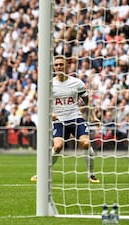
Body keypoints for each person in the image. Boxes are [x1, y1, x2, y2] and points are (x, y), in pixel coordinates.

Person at [31, 55, 100, 183]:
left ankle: (91, 174)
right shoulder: (49, 84)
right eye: (56, 65)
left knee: (86, 143)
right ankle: (42, 174)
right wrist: (50, 114)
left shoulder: (77, 83)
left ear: (67, 66)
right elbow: (41, 103)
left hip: (75, 118)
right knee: (57, 146)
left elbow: (86, 100)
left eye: (61, 64)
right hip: (59, 121)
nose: (58, 67)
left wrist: (93, 115)